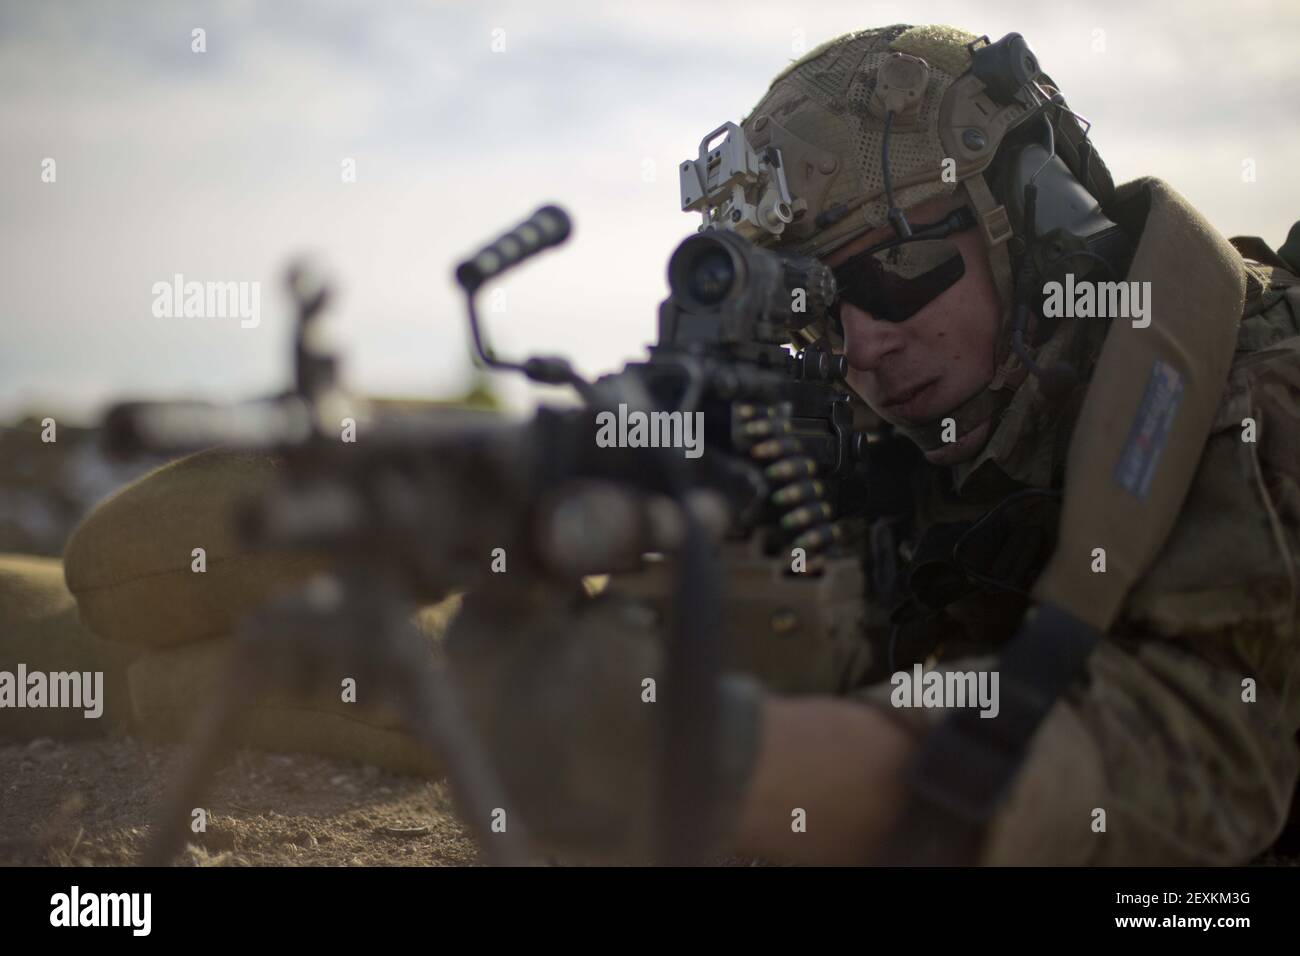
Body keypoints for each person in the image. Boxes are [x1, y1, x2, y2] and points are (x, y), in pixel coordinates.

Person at [12, 23, 1300, 866]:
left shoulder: (1242, 390)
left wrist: (713, 760)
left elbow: (1202, 765)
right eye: (813, 297)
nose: (860, 338)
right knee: (163, 609)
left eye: (889, 272)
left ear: (1036, 209)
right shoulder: (879, 401)